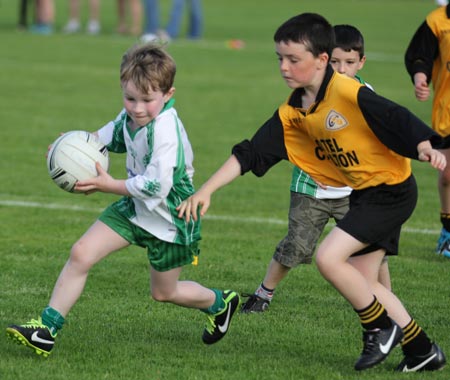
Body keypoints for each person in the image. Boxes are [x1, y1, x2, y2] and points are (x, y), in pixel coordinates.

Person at [178, 13, 447, 372]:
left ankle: (379, 327)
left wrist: (425, 143)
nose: (284, 67)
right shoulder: (293, 112)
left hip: (390, 191)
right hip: (368, 195)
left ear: (322, 59)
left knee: (328, 257)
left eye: (294, 59)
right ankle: (422, 349)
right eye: (280, 59)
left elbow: (395, 117)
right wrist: (207, 190)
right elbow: (251, 152)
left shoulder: (348, 92)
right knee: (364, 281)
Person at [6, 43, 240, 357]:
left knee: (164, 293)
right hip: (134, 208)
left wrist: (108, 185)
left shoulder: (166, 132)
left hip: (172, 220)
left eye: (147, 100)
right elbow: (102, 139)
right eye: (130, 98)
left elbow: (156, 185)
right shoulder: (130, 115)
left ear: (168, 95)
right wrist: (67, 148)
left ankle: (220, 303)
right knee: (81, 253)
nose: (137, 108)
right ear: (122, 89)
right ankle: (46, 330)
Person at [241, 24, 391, 314]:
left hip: (356, 192)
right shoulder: (307, 93)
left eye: (349, 62)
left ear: (361, 62)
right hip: (311, 189)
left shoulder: (364, 94)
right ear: (323, 60)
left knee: (373, 249)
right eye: (335, 62)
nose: (342, 69)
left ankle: (387, 300)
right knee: (296, 247)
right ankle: (263, 294)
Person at [405, 4, 450, 258]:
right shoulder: (438, 20)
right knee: (446, 176)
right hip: (447, 112)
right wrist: (420, 77)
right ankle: (448, 231)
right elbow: (420, 55)